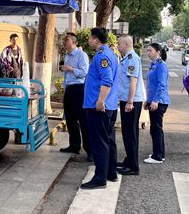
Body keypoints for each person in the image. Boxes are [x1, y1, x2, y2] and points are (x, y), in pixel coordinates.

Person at [80, 27, 119, 190]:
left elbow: (106, 80)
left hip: (99, 106)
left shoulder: (102, 56)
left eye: (90, 37)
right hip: (108, 105)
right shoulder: (109, 53)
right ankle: (110, 172)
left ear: (96, 40)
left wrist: (100, 101)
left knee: (99, 142)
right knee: (108, 139)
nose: (89, 40)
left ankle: (99, 178)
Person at [117, 35, 145, 175]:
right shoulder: (126, 58)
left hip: (131, 101)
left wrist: (129, 101)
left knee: (130, 133)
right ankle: (129, 160)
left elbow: (133, 82)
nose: (117, 46)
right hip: (126, 99)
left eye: (119, 43)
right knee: (127, 132)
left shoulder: (131, 58)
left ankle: (133, 166)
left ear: (126, 44)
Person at [58, 32, 90, 159]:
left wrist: (70, 69)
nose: (64, 42)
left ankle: (90, 150)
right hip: (69, 89)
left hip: (79, 89)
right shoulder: (66, 55)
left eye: (67, 40)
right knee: (70, 119)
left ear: (74, 42)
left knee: (83, 120)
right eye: (64, 40)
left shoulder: (81, 55)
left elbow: (84, 72)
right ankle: (74, 145)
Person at [144, 43, 170, 164]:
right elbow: (151, 86)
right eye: (147, 50)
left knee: (156, 128)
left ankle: (157, 156)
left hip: (159, 101)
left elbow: (161, 84)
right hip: (153, 100)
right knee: (155, 128)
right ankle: (159, 152)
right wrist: (148, 101)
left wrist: (155, 100)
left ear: (158, 51)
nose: (148, 53)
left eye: (150, 50)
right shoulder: (154, 65)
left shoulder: (161, 66)